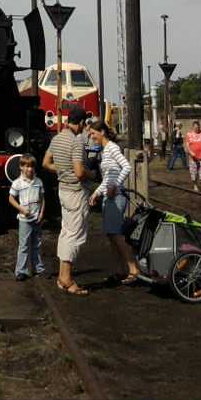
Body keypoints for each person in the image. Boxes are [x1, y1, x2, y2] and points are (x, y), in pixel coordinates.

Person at [42, 107, 91, 295]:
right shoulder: (75, 143)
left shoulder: (56, 139)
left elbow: (46, 163)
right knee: (75, 235)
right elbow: (79, 172)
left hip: (63, 190)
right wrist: (91, 174)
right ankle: (67, 278)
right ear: (81, 123)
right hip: (76, 192)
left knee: (66, 232)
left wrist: (62, 171)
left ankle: (62, 276)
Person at [88, 120, 139, 284]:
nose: (91, 136)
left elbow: (127, 167)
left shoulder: (112, 148)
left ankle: (133, 268)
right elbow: (108, 178)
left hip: (116, 197)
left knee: (115, 234)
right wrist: (97, 192)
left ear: (102, 132)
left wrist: (115, 185)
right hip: (110, 197)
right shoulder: (105, 151)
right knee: (111, 235)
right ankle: (121, 269)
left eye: (93, 133)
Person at [9, 154, 46, 282]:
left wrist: (41, 213)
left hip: (36, 218)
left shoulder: (38, 182)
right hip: (25, 219)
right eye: (27, 166)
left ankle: (38, 268)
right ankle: (21, 271)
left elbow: (42, 198)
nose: (30, 169)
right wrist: (22, 209)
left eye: (32, 167)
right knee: (23, 245)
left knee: (37, 244)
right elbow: (11, 198)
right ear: (21, 167)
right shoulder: (17, 183)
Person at [184, 120, 201, 193]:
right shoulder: (189, 134)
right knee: (194, 173)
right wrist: (190, 152)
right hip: (193, 157)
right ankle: (195, 185)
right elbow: (187, 145)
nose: (197, 129)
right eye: (196, 127)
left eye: (198, 127)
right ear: (193, 127)